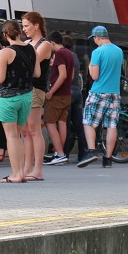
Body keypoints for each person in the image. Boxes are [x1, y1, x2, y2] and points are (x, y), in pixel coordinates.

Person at [0, 20, 35, 183]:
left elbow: (1, 78)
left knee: (10, 137)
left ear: (5, 35)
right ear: (20, 32)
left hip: (8, 98)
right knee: (17, 135)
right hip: (26, 96)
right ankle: (22, 172)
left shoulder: (6, 52)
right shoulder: (31, 49)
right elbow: (37, 72)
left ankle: (16, 174)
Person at [77, 25, 123, 168]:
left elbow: (94, 76)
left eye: (94, 39)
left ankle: (91, 151)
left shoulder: (97, 52)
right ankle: (108, 158)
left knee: (88, 121)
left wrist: (90, 64)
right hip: (115, 93)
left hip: (99, 92)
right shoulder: (119, 51)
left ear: (97, 37)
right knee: (111, 125)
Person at [20, 12, 51, 182]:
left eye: (26, 26)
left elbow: (30, 62)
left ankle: (38, 169)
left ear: (36, 25)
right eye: (23, 26)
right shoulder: (26, 43)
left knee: (34, 129)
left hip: (36, 88)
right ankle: (26, 168)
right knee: (25, 131)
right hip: (24, 88)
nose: (24, 30)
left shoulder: (44, 44)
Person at [43, 31, 73, 165]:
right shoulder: (69, 54)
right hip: (67, 94)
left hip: (57, 95)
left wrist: (51, 92)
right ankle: (60, 153)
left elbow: (63, 75)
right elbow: (70, 76)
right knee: (62, 123)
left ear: (52, 43)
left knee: (49, 123)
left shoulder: (59, 54)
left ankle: (59, 153)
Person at [65, 36, 90, 163]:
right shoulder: (74, 55)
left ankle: (64, 154)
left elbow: (65, 76)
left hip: (68, 92)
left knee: (66, 124)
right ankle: (83, 153)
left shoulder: (63, 55)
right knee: (79, 125)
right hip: (77, 93)